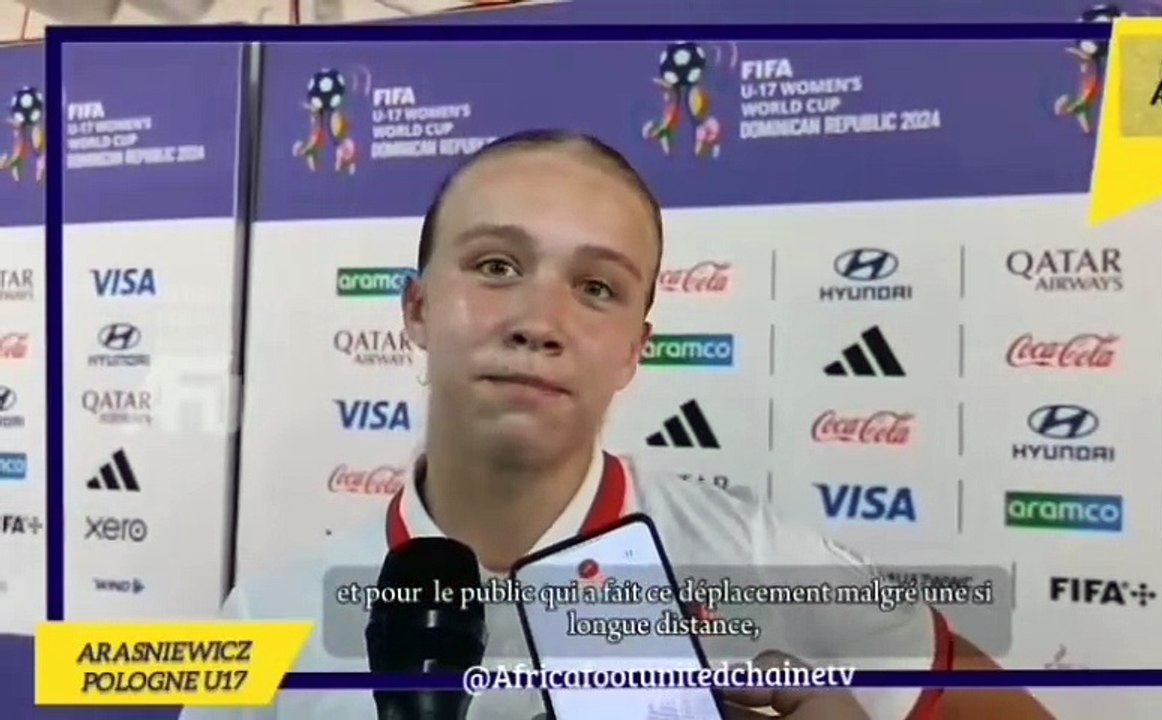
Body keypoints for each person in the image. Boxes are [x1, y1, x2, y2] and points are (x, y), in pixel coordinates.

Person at [180, 129, 1055, 719]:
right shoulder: (269, 612)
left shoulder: (750, 556)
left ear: (636, 348)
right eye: (495, 265)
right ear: (415, 309)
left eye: (595, 287)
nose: (538, 320)